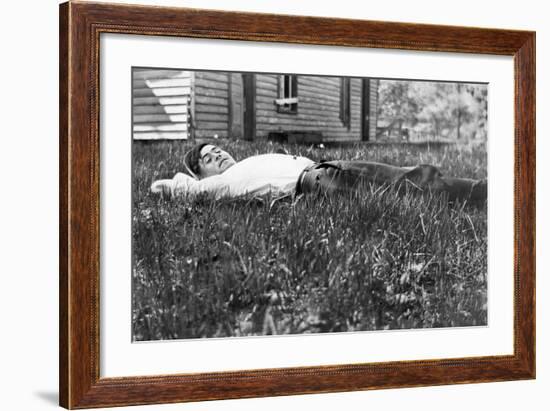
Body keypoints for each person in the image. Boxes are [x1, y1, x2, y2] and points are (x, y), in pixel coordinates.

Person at [151, 142, 487, 205]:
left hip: (328, 172)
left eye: (217, 149)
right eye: (208, 157)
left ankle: (477, 192)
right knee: (408, 182)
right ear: (200, 174)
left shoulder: (241, 166)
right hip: (319, 179)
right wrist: (182, 183)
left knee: (406, 182)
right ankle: (481, 191)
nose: (219, 154)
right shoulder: (219, 185)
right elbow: (170, 187)